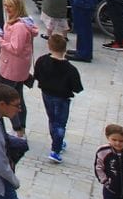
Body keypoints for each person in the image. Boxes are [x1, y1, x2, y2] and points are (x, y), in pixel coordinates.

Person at [31, 31, 84, 163]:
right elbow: (77, 87)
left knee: (52, 119)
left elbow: (36, 76)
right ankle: (56, 149)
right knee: (60, 123)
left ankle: (57, 141)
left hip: (46, 94)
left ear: (49, 47)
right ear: (65, 49)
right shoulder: (70, 69)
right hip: (62, 97)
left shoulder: (42, 60)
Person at [0, 0, 35, 140]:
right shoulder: (19, 22)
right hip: (16, 67)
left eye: (10, 6)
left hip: (12, 68)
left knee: (7, 100)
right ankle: (20, 129)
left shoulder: (20, 26)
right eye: (6, 6)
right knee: (18, 97)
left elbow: (16, 48)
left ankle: (18, 129)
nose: (7, 9)